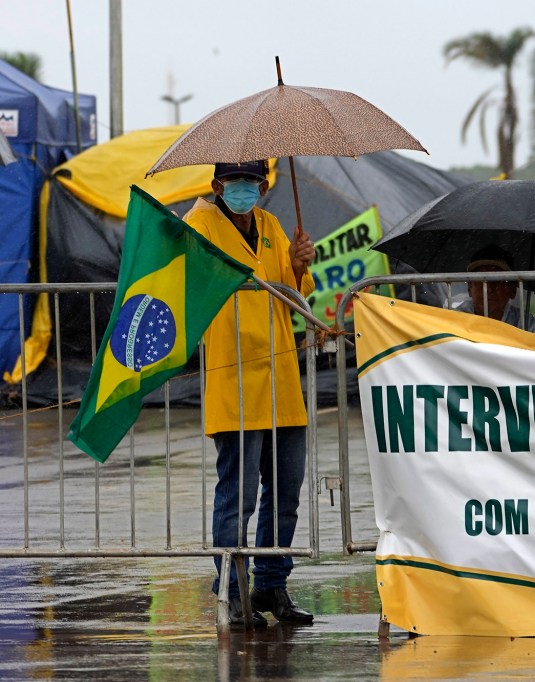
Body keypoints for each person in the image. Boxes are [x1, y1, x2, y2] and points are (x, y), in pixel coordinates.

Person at [183, 160, 316, 628]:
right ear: (218, 186)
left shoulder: (271, 224)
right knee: (236, 497)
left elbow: (297, 293)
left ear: (263, 185)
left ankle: (272, 584)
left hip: (280, 379)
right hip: (234, 379)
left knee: (285, 493)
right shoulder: (199, 223)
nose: (245, 191)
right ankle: (232, 591)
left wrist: (300, 266)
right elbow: (188, 281)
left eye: (253, 183)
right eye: (236, 183)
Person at [458, 244, 535, 337]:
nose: (489, 289)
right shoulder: (453, 320)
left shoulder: (529, 325)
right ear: (469, 289)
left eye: (497, 280)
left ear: (513, 290)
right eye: (481, 281)